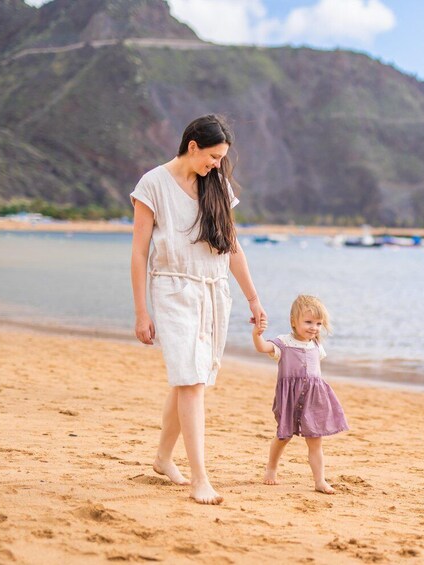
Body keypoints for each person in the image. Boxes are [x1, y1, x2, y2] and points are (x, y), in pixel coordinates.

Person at [130, 114, 266, 505]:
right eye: (213, 156)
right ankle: (200, 479)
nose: (217, 164)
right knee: (190, 380)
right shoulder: (152, 184)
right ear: (193, 147)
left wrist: (253, 299)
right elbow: (139, 254)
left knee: (193, 377)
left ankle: (161, 458)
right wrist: (142, 312)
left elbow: (232, 247)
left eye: (222, 158)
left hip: (213, 292)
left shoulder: (217, 184)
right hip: (172, 289)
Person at [252, 295, 348, 494]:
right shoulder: (283, 343)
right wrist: (257, 333)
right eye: (308, 322)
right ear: (293, 322)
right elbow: (262, 347)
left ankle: (319, 481)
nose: (314, 327)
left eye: (318, 323)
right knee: (283, 436)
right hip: (290, 399)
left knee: (315, 441)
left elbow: (315, 376)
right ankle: (271, 468)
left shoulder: (317, 347)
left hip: (313, 400)